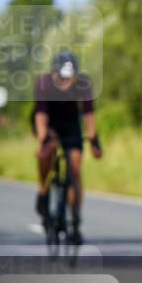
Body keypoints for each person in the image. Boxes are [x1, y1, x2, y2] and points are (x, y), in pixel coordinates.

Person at [33, 51, 102, 245]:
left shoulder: (83, 83)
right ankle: (43, 190)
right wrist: (44, 140)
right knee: (46, 152)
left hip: (71, 123)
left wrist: (94, 139)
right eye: (62, 78)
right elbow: (40, 115)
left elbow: (88, 113)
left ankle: (75, 223)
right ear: (54, 73)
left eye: (70, 78)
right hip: (50, 122)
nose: (66, 82)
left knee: (75, 168)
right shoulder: (44, 83)